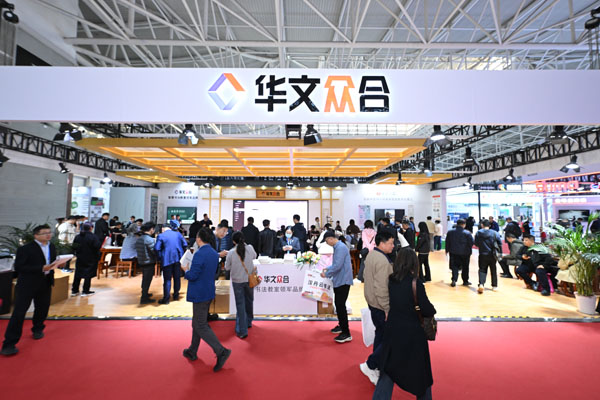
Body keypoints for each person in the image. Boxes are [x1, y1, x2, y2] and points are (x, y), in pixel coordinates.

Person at [373, 247, 435, 400]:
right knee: (421, 373)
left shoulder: (392, 281)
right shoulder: (416, 283)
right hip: (413, 334)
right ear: (414, 263)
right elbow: (427, 309)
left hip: (393, 331)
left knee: (388, 369)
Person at [1, 225, 61, 356]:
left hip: (45, 282)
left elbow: (51, 262)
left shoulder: (51, 246)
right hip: (27, 284)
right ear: (36, 235)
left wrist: (58, 264)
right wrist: (41, 268)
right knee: (19, 313)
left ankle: (38, 329)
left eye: (49, 232)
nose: (48, 235)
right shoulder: (25, 249)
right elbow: (19, 267)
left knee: (42, 308)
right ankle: (9, 343)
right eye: (44, 233)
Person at [181, 227, 231, 371]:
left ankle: (221, 351)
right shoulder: (213, 253)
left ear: (199, 238)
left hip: (199, 292)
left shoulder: (199, 254)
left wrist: (185, 270)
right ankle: (192, 350)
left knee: (200, 324)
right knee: (197, 322)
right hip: (208, 290)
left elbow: (193, 275)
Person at [360, 230, 395, 385]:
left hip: (372, 301)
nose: (393, 246)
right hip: (380, 305)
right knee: (388, 338)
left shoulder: (372, 254)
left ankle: (378, 365)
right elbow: (381, 288)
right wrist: (387, 308)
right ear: (381, 243)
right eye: (390, 243)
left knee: (380, 334)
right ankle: (371, 364)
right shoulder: (382, 261)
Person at [321, 231, 353, 343]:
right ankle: (341, 325)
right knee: (339, 304)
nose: (327, 243)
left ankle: (346, 333)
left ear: (331, 239)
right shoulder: (338, 247)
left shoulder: (340, 248)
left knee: (340, 305)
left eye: (326, 241)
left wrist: (327, 273)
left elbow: (337, 266)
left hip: (343, 280)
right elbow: (337, 264)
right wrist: (328, 268)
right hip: (340, 279)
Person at [225, 231, 257, 339]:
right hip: (249, 279)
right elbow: (254, 256)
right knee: (249, 301)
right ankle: (248, 322)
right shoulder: (250, 248)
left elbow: (227, 268)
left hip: (237, 281)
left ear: (233, 241)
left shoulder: (231, 252)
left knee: (240, 304)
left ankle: (242, 330)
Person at [154, 220, 188, 305]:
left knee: (167, 279)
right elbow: (185, 244)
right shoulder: (178, 234)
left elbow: (157, 248)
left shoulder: (161, 236)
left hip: (166, 260)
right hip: (178, 259)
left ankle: (166, 299)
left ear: (163, 228)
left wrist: (160, 258)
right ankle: (176, 296)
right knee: (177, 278)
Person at [71, 222, 101, 297]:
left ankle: (74, 290)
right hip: (91, 258)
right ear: (91, 228)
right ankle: (85, 291)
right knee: (88, 275)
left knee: (77, 274)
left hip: (80, 257)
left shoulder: (78, 236)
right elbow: (97, 246)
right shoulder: (93, 237)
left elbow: (74, 247)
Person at [474, 219, 503, 293]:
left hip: (482, 253)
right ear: (489, 225)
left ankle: (481, 284)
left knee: (482, 269)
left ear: (482, 225)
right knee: (493, 269)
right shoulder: (495, 233)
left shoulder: (478, 233)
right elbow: (500, 243)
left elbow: (476, 243)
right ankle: (494, 286)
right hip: (493, 254)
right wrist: (500, 254)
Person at [445, 219, 473, 287]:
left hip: (453, 252)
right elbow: (471, 242)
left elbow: (447, 241)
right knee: (465, 267)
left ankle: (454, 280)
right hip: (465, 253)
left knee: (455, 266)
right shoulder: (467, 233)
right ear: (464, 224)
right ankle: (465, 281)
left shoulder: (450, 232)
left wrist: (447, 250)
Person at [136, 222, 157, 304]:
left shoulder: (139, 238)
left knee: (145, 278)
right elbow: (154, 251)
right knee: (147, 280)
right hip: (148, 262)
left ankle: (145, 293)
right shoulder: (149, 239)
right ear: (151, 229)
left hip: (141, 261)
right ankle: (144, 298)